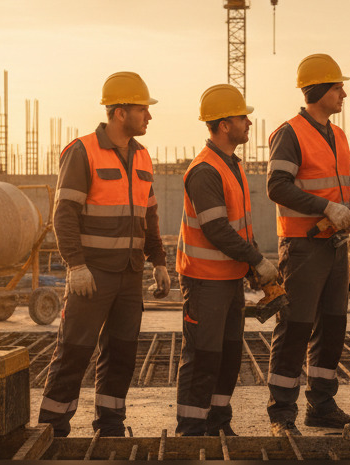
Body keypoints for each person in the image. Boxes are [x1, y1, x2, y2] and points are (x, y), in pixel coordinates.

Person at [38, 71, 170, 438]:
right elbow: (63, 214)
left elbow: (150, 214)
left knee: (122, 354)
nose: (149, 116)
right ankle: (52, 426)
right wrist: (75, 266)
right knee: (74, 351)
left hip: (129, 275)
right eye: (143, 109)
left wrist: (158, 261)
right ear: (120, 112)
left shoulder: (142, 157)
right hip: (92, 275)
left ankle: (109, 423)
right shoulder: (82, 152)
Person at [265, 53, 350, 436]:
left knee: (333, 326)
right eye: (336, 87)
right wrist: (327, 206)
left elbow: (345, 181)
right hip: (302, 247)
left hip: (335, 246)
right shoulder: (290, 133)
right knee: (295, 326)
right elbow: (277, 186)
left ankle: (322, 406)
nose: (344, 93)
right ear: (318, 91)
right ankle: (282, 414)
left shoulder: (338, 134)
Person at [174, 84, 279, 437]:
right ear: (222, 125)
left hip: (228, 280)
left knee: (228, 355)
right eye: (241, 117)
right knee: (202, 357)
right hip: (205, 282)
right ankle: (190, 429)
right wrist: (258, 260)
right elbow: (217, 229)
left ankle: (218, 424)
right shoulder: (205, 170)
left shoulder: (230, 165)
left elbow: (239, 227)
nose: (248, 122)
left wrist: (251, 268)